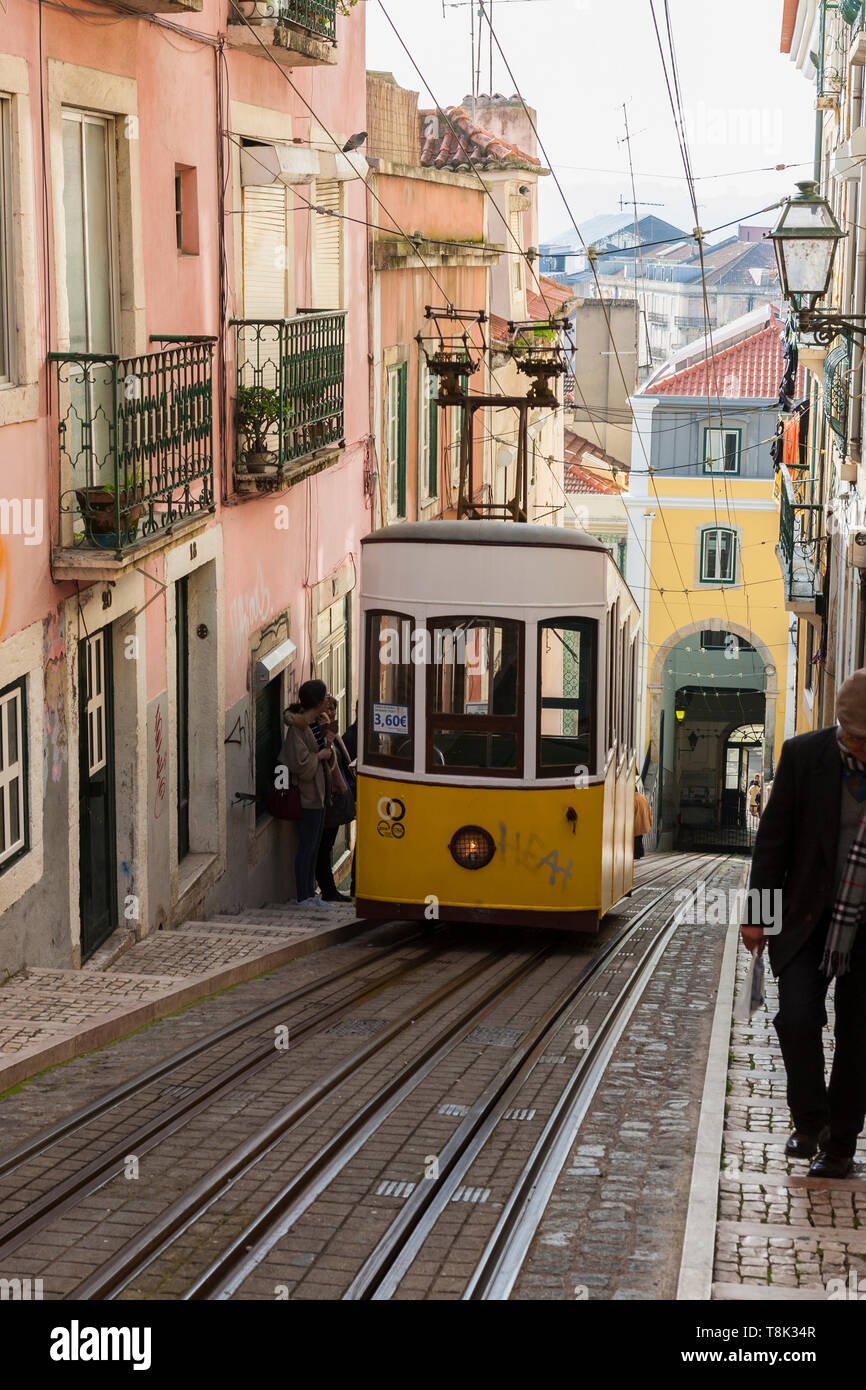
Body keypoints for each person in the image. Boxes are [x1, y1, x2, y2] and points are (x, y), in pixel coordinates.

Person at [742, 668, 866, 1178]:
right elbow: (772, 845)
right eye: (859, 740)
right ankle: (809, 1120)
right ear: (843, 729)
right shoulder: (803, 756)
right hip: (807, 919)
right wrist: (757, 919)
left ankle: (840, 1144)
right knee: (796, 1019)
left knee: (859, 1038)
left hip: (864, 927)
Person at [279, 679, 338, 909]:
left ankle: (311, 893)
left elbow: (323, 754)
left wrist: (328, 745)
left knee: (314, 846)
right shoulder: (298, 729)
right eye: (325, 697)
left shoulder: (316, 723)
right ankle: (303, 896)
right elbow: (301, 766)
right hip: (307, 796)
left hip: (319, 794)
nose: (328, 700)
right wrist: (322, 755)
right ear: (316, 701)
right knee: (306, 846)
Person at [315, 695, 356, 902]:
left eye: (333, 709)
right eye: (327, 709)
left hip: (334, 799)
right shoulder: (322, 733)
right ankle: (328, 890)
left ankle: (329, 889)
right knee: (323, 847)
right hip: (327, 799)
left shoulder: (333, 733)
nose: (331, 713)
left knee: (326, 845)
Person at [634, 780, 652, 860]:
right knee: (638, 839)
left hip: (635, 823)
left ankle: (637, 854)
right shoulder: (643, 797)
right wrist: (650, 822)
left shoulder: (632, 798)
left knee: (635, 840)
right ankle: (639, 853)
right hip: (643, 823)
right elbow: (649, 810)